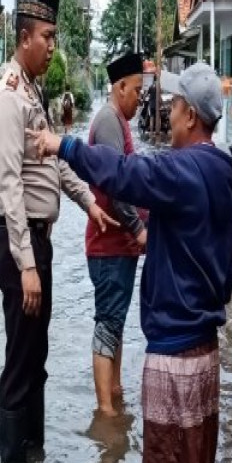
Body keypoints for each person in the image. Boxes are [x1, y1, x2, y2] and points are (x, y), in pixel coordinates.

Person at [27, 62, 232, 463]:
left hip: (174, 354)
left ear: (190, 117)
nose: (168, 110)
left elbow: (124, 174)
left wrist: (64, 146)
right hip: (206, 350)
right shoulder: (225, 171)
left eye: (176, 104)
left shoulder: (184, 170)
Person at [0, 0, 116, 463]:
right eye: (47, 37)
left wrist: (88, 203)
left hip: (36, 243)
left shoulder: (33, 92)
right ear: (24, 38)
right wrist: (26, 265)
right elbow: (10, 186)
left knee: (35, 353)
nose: (52, 46)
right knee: (21, 357)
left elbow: (54, 165)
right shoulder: (8, 100)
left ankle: (33, 453)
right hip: (18, 243)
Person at [86, 52, 147, 418]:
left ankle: (115, 389)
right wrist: (138, 228)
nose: (141, 98)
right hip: (108, 246)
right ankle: (106, 413)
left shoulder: (118, 121)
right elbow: (115, 186)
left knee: (116, 320)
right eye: (137, 90)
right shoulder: (108, 122)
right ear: (120, 86)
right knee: (108, 323)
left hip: (117, 247)